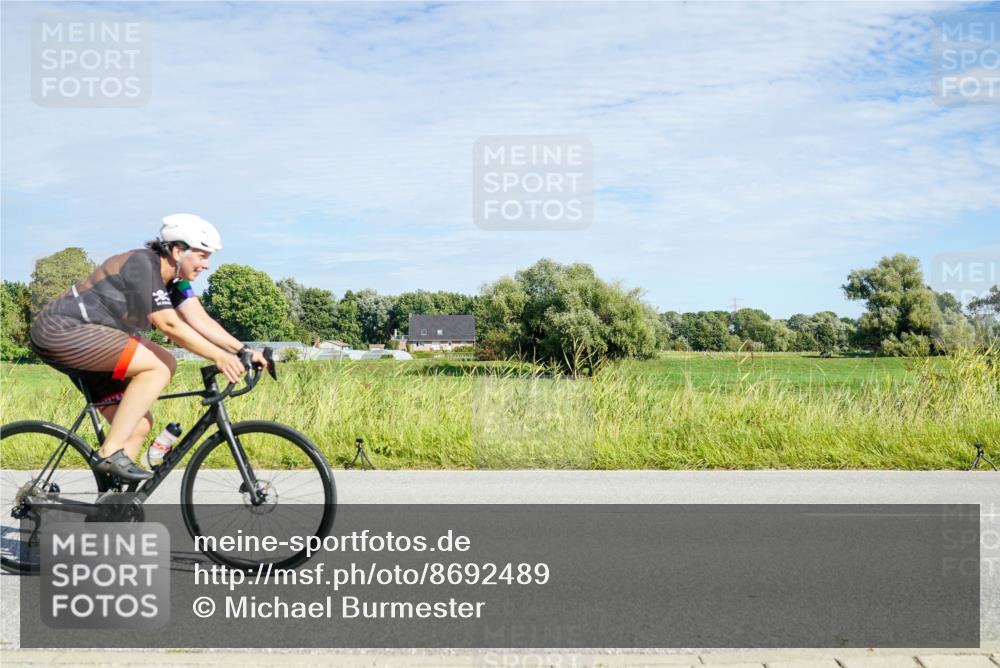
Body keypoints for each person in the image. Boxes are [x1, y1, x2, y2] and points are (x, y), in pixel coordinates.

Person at [29, 213, 269, 481]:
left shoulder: (175, 283)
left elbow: (199, 319)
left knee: (139, 425)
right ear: (178, 251)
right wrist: (219, 357)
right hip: (62, 331)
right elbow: (169, 324)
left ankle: (114, 505)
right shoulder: (143, 264)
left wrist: (242, 350)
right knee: (159, 366)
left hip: (94, 340)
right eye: (202, 255)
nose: (207, 264)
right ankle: (109, 453)